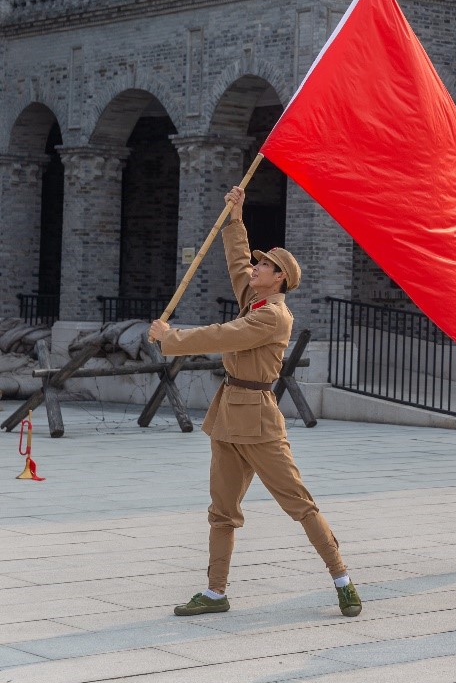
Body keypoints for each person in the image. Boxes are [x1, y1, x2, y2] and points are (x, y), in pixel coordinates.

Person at [149, 186, 360, 618]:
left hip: (259, 420)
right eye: (259, 262)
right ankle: (215, 592)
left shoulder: (272, 314)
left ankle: (342, 579)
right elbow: (235, 259)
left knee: (298, 503)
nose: (256, 267)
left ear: (279, 276)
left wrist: (173, 340)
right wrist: (236, 216)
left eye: (265, 265)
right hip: (228, 414)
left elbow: (225, 334)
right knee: (222, 511)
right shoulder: (254, 297)